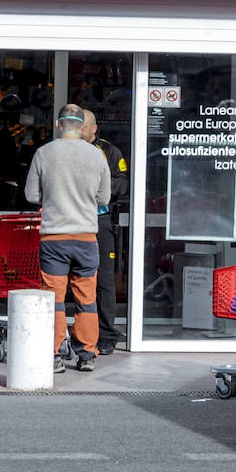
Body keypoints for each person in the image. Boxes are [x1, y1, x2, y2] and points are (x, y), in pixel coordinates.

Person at [24, 104, 111, 373]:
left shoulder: (44, 153)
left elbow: (31, 196)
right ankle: (86, 354)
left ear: (59, 124)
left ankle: (54, 354)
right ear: (82, 126)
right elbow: (104, 199)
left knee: (54, 298)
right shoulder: (97, 156)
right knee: (86, 298)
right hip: (86, 238)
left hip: (54, 239)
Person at [80, 108, 128, 355]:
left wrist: (99, 185)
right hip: (73, 222)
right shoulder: (67, 150)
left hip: (101, 224)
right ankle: (78, 335)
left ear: (93, 128)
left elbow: (122, 182)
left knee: (105, 280)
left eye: (83, 125)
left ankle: (107, 334)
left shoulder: (109, 151)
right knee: (72, 280)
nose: (78, 130)